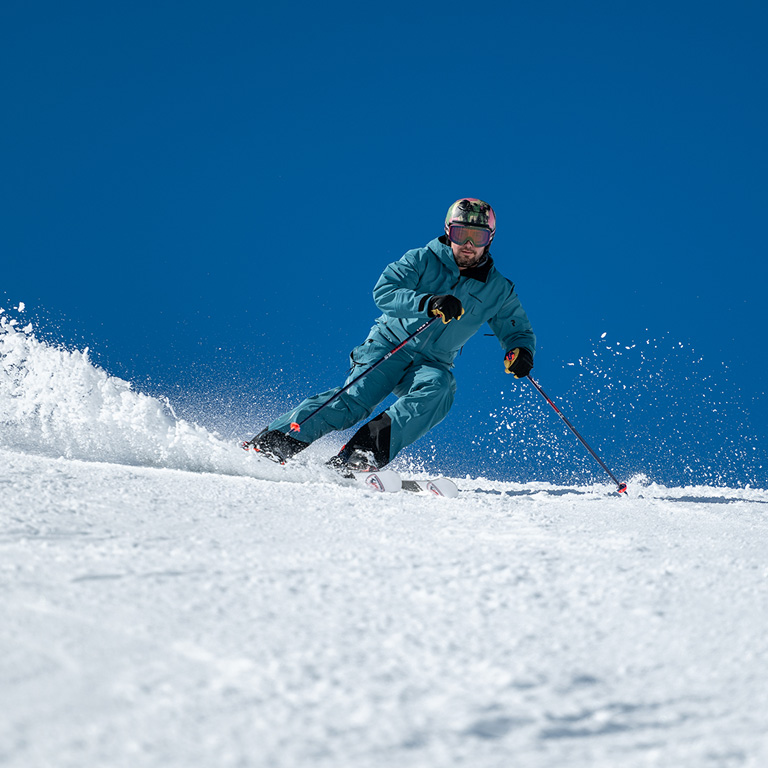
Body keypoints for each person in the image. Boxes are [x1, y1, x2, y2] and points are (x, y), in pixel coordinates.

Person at [246, 198, 536, 472]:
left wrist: (521, 352)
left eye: (479, 237)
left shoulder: (498, 289)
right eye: (461, 234)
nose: (469, 245)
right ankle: (273, 443)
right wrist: (429, 303)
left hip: (432, 362)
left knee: (440, 388)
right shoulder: (422, 260)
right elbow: (385, 291)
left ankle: (360, 454)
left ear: (491, 239)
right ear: (449, 233)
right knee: (354, 403)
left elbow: (517, 329)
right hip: (390, 344)